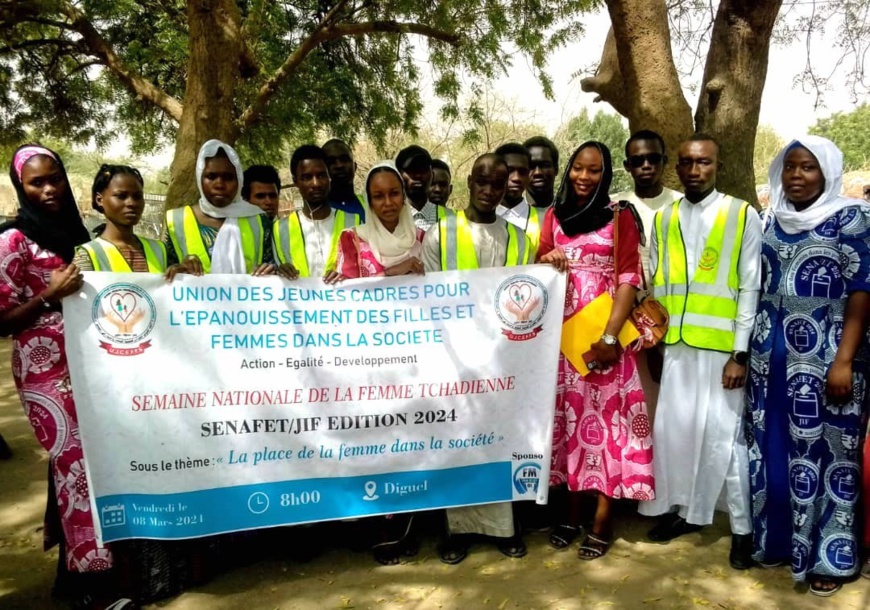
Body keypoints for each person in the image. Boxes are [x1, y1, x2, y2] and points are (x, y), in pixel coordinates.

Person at [0, 144, 133, 609]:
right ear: (22, 186)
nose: (50, 188)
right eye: (37, 182)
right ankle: (94, 590)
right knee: (76, 469)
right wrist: (48, 297)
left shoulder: (77, 236)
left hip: (90, 367)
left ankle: (72, 576)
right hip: (44, 375)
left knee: (88, 468)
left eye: (54, 177)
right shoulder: (12, 240)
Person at [747, 136, 870, 596]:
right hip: (770, 360)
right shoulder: (771, 219)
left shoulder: (852, 218)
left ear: (828, 173)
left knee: (829, 457)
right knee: (774, 450)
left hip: (827, 359)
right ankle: (779, 541)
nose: (796, 176)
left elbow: (863, 290)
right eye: (790, 167)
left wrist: (844, 361)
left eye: (808, 168)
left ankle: (830, 558)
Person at [639, 134, 762, 572]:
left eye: (703, 163)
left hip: (721, 351)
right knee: (677, 433)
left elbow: (750, 287)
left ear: (716, 165)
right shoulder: (665, 218)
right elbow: (653, 286)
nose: (695, 170)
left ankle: (743, 532)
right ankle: (686, 513)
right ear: (679, 166)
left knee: (726, 441)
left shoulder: (741, 214)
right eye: (688, 163)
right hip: (676, 349)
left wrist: (740, 354)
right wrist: (653, 342)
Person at [538, 142, 654, 561]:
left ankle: (603, 518)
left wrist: (609, 337)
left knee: (607, 429)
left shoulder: (620, 216)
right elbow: (537, 270)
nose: (583, 178)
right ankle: (571, 512)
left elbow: (628, 277)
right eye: (577, 170)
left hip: (603, 339)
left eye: (593, 171)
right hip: (563, 341)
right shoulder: (553, 216)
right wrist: (546, 255)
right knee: (569, 426)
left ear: (604, 175)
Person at [422, 153, 532, 564]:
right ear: (469, 182)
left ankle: (504, 529)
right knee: (458, 445)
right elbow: (428, 298)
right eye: (482, 183)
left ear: (506, 189)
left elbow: (527, 297)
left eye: (497, 186)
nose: (488, 192)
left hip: (501, 362)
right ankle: (456, 531)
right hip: (453, 361)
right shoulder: (440, 234)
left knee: (499, 442)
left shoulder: (520, 239)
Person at [611, 130, 683, 414]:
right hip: (626, 316)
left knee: (672, 405)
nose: (646, 166)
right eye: (638, 160)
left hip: (674, 318)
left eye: (653, 159)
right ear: (627, 165)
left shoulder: (681, 205)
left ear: (664, 161)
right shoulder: (614, 206)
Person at [164, 139, 276, 275]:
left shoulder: (259, 220)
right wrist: (179, 269)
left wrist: (272, 271)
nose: (219, 184)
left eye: (228, 177)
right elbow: (164, 275)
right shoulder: (176, 221)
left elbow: (272, 267)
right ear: (200, 178)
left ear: (239, 180)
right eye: (211, 176)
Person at [75, 164, 200, 278]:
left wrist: (184, 271)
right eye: (121, 196)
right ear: (99, 200)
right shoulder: (88, 256)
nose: (131, 203)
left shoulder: (160, 250)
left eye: (137, 196)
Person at [273, 145, 358, 281]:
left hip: (344, 300)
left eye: (321, 175)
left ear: (329, 176)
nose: (316, 183)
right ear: (295, 181)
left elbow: (368, 272)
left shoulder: (355, 222)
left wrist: (349, 275)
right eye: (307, 177)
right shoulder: (279, 229)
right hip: (299, 301)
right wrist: (279, 272)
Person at [334, 161, 424, 280]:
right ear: (369, 201)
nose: (388, 203)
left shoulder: (421, 238)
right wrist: (390, 273)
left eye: (394, 193)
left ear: (404, 196)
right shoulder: (351, 239)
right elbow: (349, 293)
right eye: (378, 196)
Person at [495, 142, 544, 250]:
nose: (516, 178)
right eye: (509, 171)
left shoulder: (545, 221)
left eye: (522, 172)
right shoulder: (478, 219)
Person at [396, 145, 443, 231]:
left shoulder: (451, 218)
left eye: (423, 169)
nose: (418, 175)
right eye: (411, 170)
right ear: (398, 175)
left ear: (432, 175)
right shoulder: (389, 218)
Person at [322, 138, 366, 221]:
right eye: (331, 162)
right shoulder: (317, 213)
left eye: (344, 159)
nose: (339, 165)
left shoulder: (371, 206)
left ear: (355, 167)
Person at [523, 136, 559, 208]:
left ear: (556, 169)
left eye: (545, 165)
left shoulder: (571, 214)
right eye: (531, 166)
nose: (537, 172)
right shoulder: (506, 216)